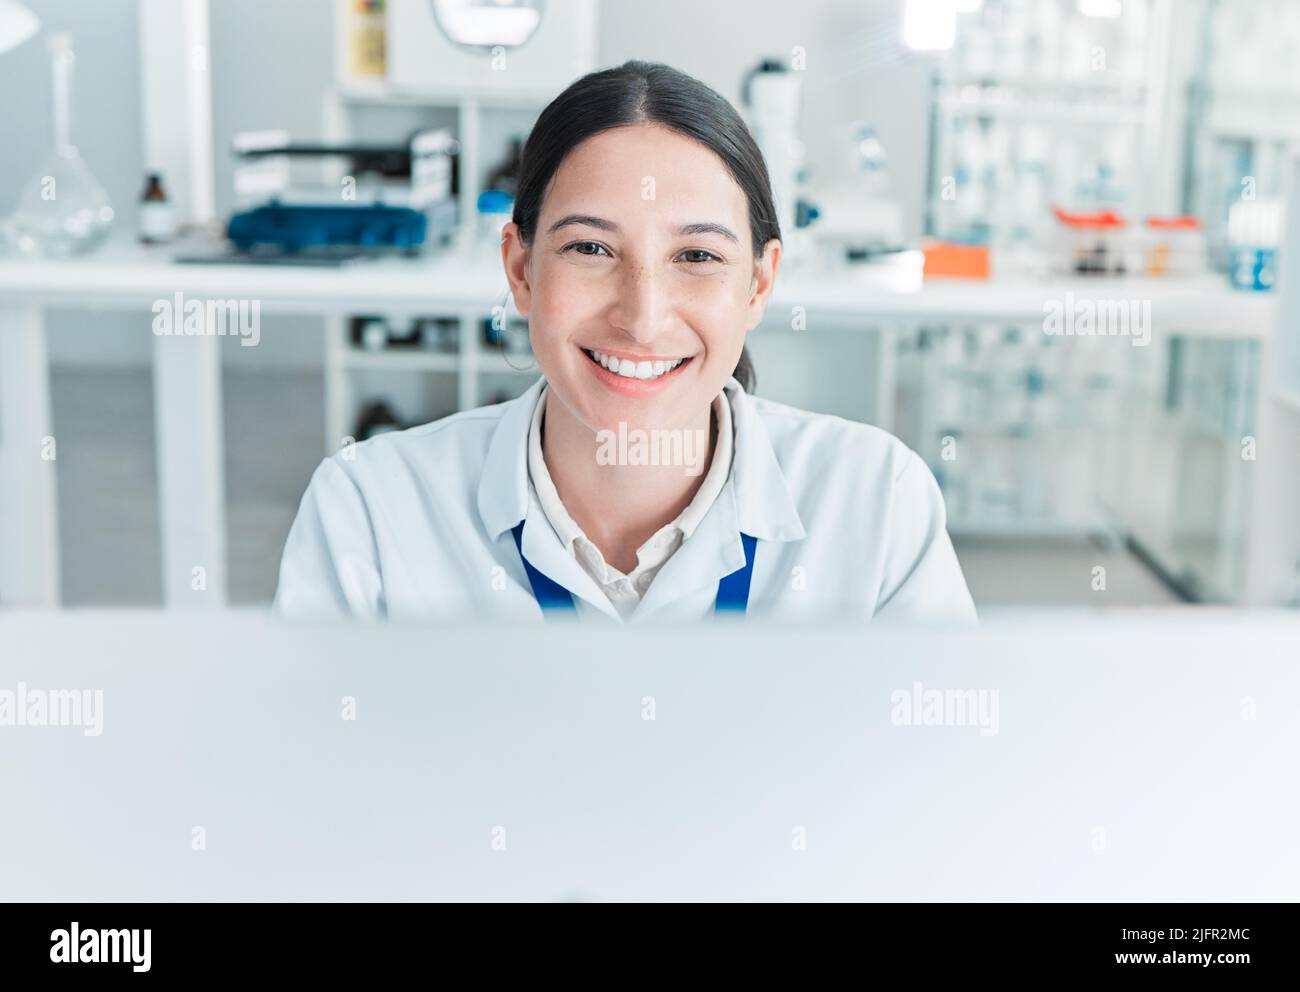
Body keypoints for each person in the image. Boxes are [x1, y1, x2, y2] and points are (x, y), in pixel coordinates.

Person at [274, 60, 976, 624]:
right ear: (520, 268)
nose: (642, 320)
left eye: (697, 257)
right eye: (590, 248)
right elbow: (307, 783)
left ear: (759, 285)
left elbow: (941, 788)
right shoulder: (369, 510)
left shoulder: (877, 503)